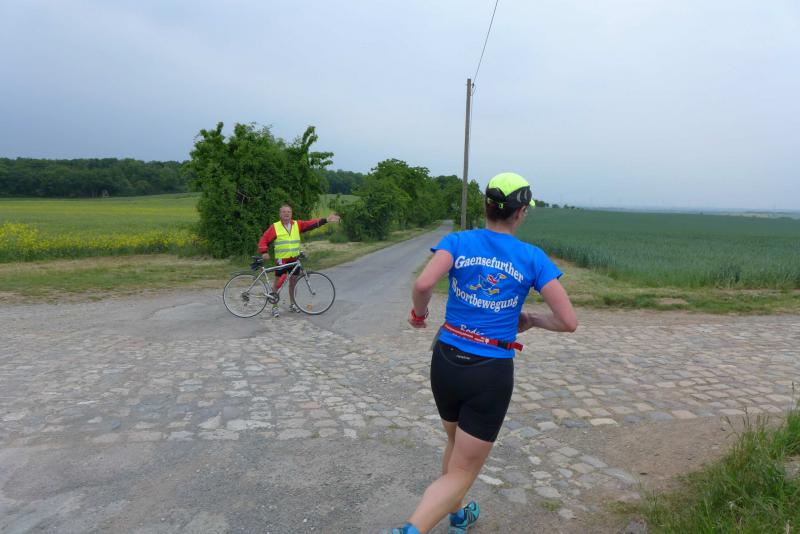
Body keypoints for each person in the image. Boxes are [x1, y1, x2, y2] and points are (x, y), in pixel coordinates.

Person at [392, 172, 578, 534]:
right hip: (489, 372)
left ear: (486, 206)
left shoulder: (457, 241)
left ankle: (458, 516)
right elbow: (568, 321)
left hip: (446, 359)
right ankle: (410, 530)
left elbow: (424, 284)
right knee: (462, 471)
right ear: (520, 212)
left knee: (455, 444)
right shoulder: (533, 258)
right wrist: (532, 320)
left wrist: (418, 315)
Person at [257, 203, 340, 317]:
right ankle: (274, 307)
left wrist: (325, 220)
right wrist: (264, 252)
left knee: (293, 283)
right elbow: (264, 239)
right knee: (278, 283)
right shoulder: (275, 227)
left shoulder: (297, 224)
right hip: (282, 260)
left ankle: (293, 304)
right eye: (284, 212)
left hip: (294, 259)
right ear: (280, 214)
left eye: (289, 212)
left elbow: (310, 224)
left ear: (291, 214)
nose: (286, 214)